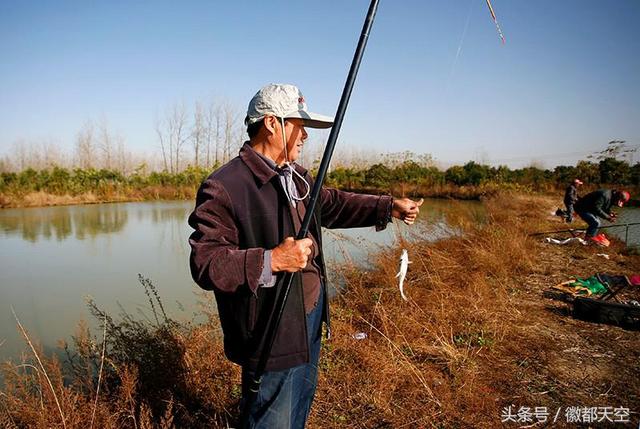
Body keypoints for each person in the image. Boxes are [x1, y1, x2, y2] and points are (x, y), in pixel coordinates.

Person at [187, 83, 423, 428]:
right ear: (272, 123)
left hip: (310, 318)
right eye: (300, 126)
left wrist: (389, 207)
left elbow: (333, 204)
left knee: (297, 413)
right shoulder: (225, 185)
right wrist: (273, 260)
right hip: (271, 329)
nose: (305, 137)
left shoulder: (297, 178)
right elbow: (206, 264)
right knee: (272, 420)